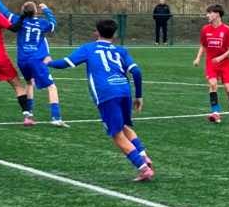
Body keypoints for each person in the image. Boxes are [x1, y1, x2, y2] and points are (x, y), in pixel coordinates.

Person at [46, 19, 154, 182]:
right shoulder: (121, 50)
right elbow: (136, 72)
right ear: (115, 35)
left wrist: (48, 62)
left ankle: (143, 168)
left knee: (116, 134)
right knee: (123, 127)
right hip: (124, 90)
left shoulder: (88, 48)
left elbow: (64, 64)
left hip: (107, 93)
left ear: (97, 33)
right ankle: (143, 156)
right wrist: (138, 96)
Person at [0, 0, 69, 128]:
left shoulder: (19, 20)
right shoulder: (41, 23)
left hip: (22, 60)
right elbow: (54, 25)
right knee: (51, 87)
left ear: (23, 12)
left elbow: (5, 11)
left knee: (29, 82)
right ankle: (56, 118)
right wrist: (47, 10)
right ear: (36, 12)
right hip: (36, 59)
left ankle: (29, 113)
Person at [193, 4, 229, 125]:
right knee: (212, 84)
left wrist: (220, 57)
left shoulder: (227, 30)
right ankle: (215, 113)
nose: (207, 15)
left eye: (210, 13)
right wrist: (198, 58)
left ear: (217, 14)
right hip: (211, 64)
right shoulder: (205, 29)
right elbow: (203, 46)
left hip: (225, 64)